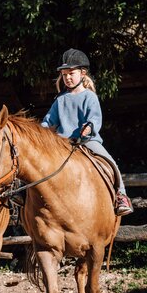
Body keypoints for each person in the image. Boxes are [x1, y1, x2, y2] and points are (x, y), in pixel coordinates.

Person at [41, 48, 133, 216]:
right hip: (63, 143)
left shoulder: (89, 97)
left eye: (71, 73)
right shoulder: (60, 100)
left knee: (111, 162)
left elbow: (94, 119)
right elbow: (48, 121)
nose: (67, 78)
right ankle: (23, 193)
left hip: (87, 140)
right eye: (64, 74)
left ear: (82, 73)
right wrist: (41, 132)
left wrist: (88, 127)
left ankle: (121, 196)